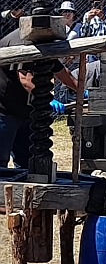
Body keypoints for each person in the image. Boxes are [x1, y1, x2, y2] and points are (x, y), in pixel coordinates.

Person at [0, 28, 79, 169]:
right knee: (1, 160)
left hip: (24, 110)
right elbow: (25, 79)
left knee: (27, 160)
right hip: (4, 109)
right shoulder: (23, 43)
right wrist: (47, 99)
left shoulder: (43, 43)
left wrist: (81, 90)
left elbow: (60, 71)